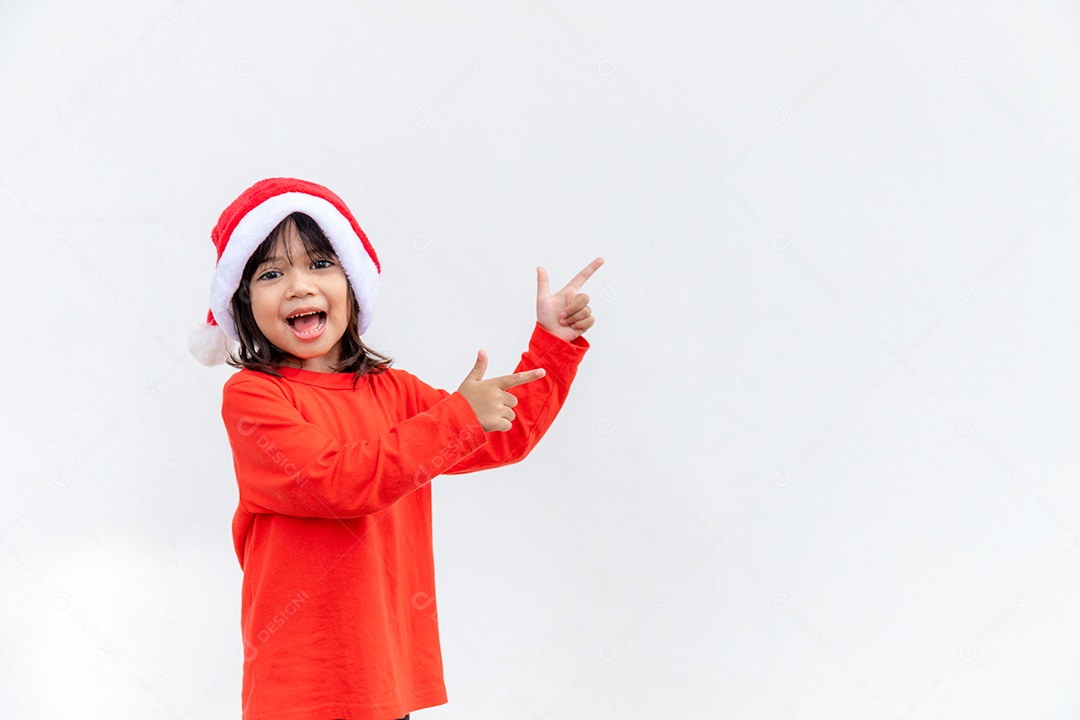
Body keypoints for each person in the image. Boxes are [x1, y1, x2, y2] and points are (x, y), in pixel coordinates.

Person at [188, 177, 603, 720]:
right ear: (243, 305)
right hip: (297, 689)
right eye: (271, 273)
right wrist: (455, 417)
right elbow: (332, 482)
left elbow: (508, 433)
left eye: (319, 264)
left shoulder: (397, 392)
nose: (298, 286)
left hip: (383, 678)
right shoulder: (253, 397)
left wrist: (554, 341)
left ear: (352, 281)